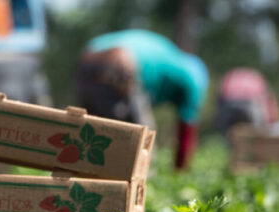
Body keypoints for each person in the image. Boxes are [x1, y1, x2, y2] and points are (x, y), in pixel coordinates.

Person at [74, 29, 209, 170]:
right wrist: (180, 172)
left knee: (90, 141)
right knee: (143, 149)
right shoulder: (192, 79)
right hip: (120, 62)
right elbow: (186, 132)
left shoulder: (172, 57)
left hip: (87, 59)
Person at [215, 67, 279, 138]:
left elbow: (219, 98)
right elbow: (271, 105)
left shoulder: (231, 75)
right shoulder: (257, 77)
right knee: (255, 135)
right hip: (250, 106)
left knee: (227, 135)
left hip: (228, 105)